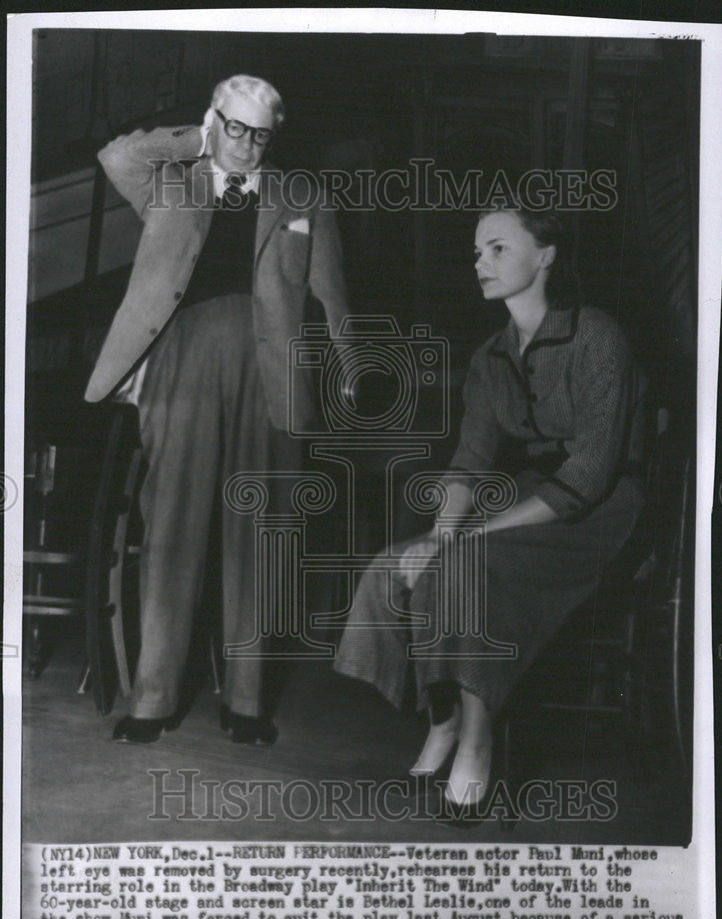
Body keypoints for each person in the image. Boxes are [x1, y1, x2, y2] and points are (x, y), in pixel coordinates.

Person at [334, 207, 646, 816]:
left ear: (546, 256)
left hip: (602, 511)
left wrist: (464, 542)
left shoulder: (597, 336)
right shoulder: (489, 356)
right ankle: (442, 717)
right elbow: (468, 464)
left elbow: (586, 477)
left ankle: (475, 744)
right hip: (530, 500)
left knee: (469, 566)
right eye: (478, 252)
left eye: (499, 249)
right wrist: (440, 534)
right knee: (397, 564)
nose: (481, 262)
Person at [85, 74, 349, 744]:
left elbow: (332, 296)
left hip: (274, 372)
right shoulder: (172, 182)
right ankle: (152, 699)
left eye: (261, 134)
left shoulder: (303, 195)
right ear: (215, 123)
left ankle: (248, 702)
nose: (248, 145)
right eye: (236, 128)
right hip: (184, 358)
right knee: (171, 525)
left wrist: (349, 372)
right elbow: (116, 156)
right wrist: (194, 137)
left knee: (263, 537)